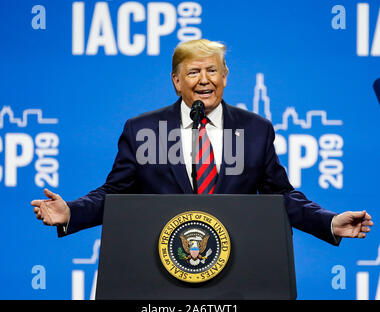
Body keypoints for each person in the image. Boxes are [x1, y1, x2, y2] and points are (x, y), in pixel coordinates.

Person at [31, 39, 373, 244]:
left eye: (213, 71)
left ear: (225, 77)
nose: (204, 80)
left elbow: (280, 196)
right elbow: (116, 193)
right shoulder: (141, 130)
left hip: (237, 263)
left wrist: (328, 221)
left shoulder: (256, 129)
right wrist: (71, 212)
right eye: (193, 72)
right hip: (160, 264)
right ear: (176, 81)